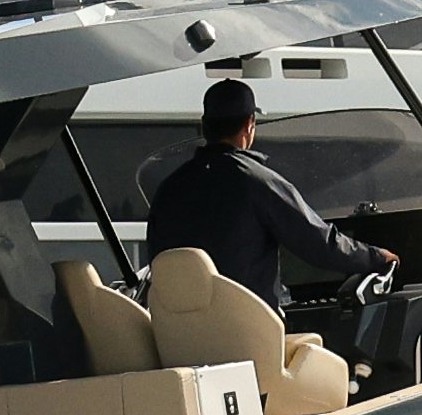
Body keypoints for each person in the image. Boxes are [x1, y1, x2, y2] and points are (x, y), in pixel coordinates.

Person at [144, 79, 397, 338]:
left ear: (204, 125)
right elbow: (317, 243)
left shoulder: (169, 189)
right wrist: (376, 257)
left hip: (181, 338)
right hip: (245, 336)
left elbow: (156, 256)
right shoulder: (258, 181)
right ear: (249, 125)